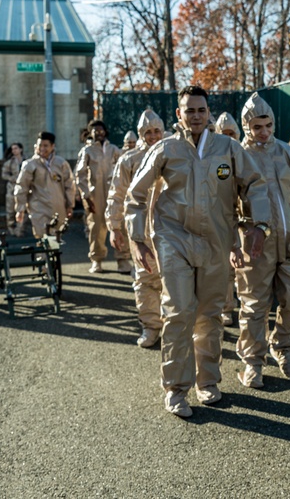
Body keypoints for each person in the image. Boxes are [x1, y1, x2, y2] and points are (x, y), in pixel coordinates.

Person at [125, 85, 271, 418]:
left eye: (201, 110)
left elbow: (254, 185)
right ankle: (176, 389)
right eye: (189, 110)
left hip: (216, 241)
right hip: (173, 237)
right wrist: (137, 237)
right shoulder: (166, 149)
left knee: (209, 314)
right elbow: (136, 195)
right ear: (179, 115)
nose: (195, 116)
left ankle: (207, 381)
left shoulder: (228, 148)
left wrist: (259, 226)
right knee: (178, 312)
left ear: (208, 113)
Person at [234, 93, 290, 387]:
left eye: (267, 125)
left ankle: (285, 350)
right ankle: (253, 361)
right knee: (254, 305)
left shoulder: (288, 153)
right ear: (246, 126)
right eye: (256, 127)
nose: (263, 132)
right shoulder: (237, 155)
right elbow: (228, 201)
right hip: (255, 244)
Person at [107, 109, 166, 348]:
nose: (152, 136)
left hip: (174, 227)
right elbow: (116, 194)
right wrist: (114, 227)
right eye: (147, 132)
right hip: (141, 229)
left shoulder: (175, 150)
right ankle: (151, 326)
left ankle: (176, 328)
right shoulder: (129, 159)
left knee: (177, 280)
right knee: (146, 279)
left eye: (156, 131)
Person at [76, 119, 131, 273]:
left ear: (105, 131)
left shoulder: (114, 149)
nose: (98, 133)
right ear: (90, 133)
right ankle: (97, 260)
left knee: (119, 224)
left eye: (101, 130)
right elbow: (80, 175)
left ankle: (123, 259)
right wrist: (86, 196)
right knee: (96, 227)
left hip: (115, 192)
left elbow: (124, 168)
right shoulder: (86, 151)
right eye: (95, 130)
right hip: (95, 195)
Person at [14, 132, 75, 239]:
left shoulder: (61, 163)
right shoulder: (30, 165)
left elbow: (69, 185)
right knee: (42, 237)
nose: (42, 148)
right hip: (39, 208)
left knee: (56, 238)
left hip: (58, 207)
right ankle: (41, 256)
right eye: (40, 145)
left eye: (45, 146)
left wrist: (70, 204)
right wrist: (20, 209)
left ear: (52, 146)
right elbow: (21, 187)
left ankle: (54, 256)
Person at [214, 111, 242, 327]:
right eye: (224, 133)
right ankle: (226, 307)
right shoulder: (215, 158)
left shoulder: (245, 153)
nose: (229, 137)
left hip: (245, 220)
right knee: (225, 267)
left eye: (232, 133)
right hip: (223, 219)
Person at [2, 142, 27, 237]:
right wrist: (12, 178)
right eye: (13, 149)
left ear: (20, 149)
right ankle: (11, 228)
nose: (14, 151)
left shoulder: (26, 161)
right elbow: (4, 174)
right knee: (10, 209)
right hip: (12, 188)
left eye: (16, 148)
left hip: (24, 188)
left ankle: (20, 229)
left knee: (23, 210)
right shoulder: (10, 162)